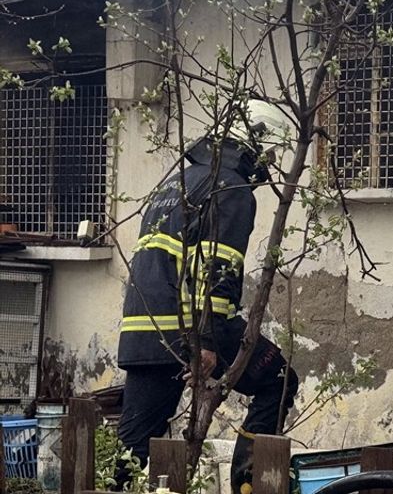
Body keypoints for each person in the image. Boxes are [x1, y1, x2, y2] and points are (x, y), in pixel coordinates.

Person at [115, 100, 300, 494]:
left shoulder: (178, 182)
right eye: (268, 153)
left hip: (145, 331)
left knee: (133, 453)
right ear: (252, 145)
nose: (268, 164)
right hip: (194, 327)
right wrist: (208, 342)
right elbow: (218, 270)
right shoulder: (231, 188)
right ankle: (248, 485)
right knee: (279, 380)